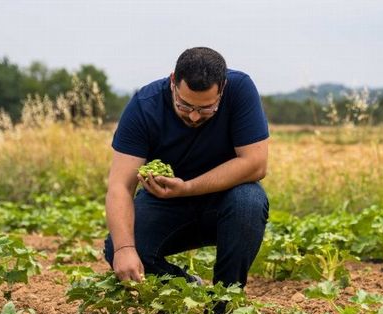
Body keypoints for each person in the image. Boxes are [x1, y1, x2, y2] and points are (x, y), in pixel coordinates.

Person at [103, 47, 269, 291]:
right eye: (184, 105)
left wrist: (188, 187)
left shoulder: (240, 89)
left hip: (225, 200)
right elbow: (120, 186)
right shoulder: (143, 106)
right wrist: (124, 249)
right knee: (118, 246)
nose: (193, 116)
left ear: (222, 89)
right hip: (166, 202)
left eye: (205, 109)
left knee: (249, 201)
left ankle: (225, 300)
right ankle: (189, 289)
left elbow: (256, 163)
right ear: (173, 82)